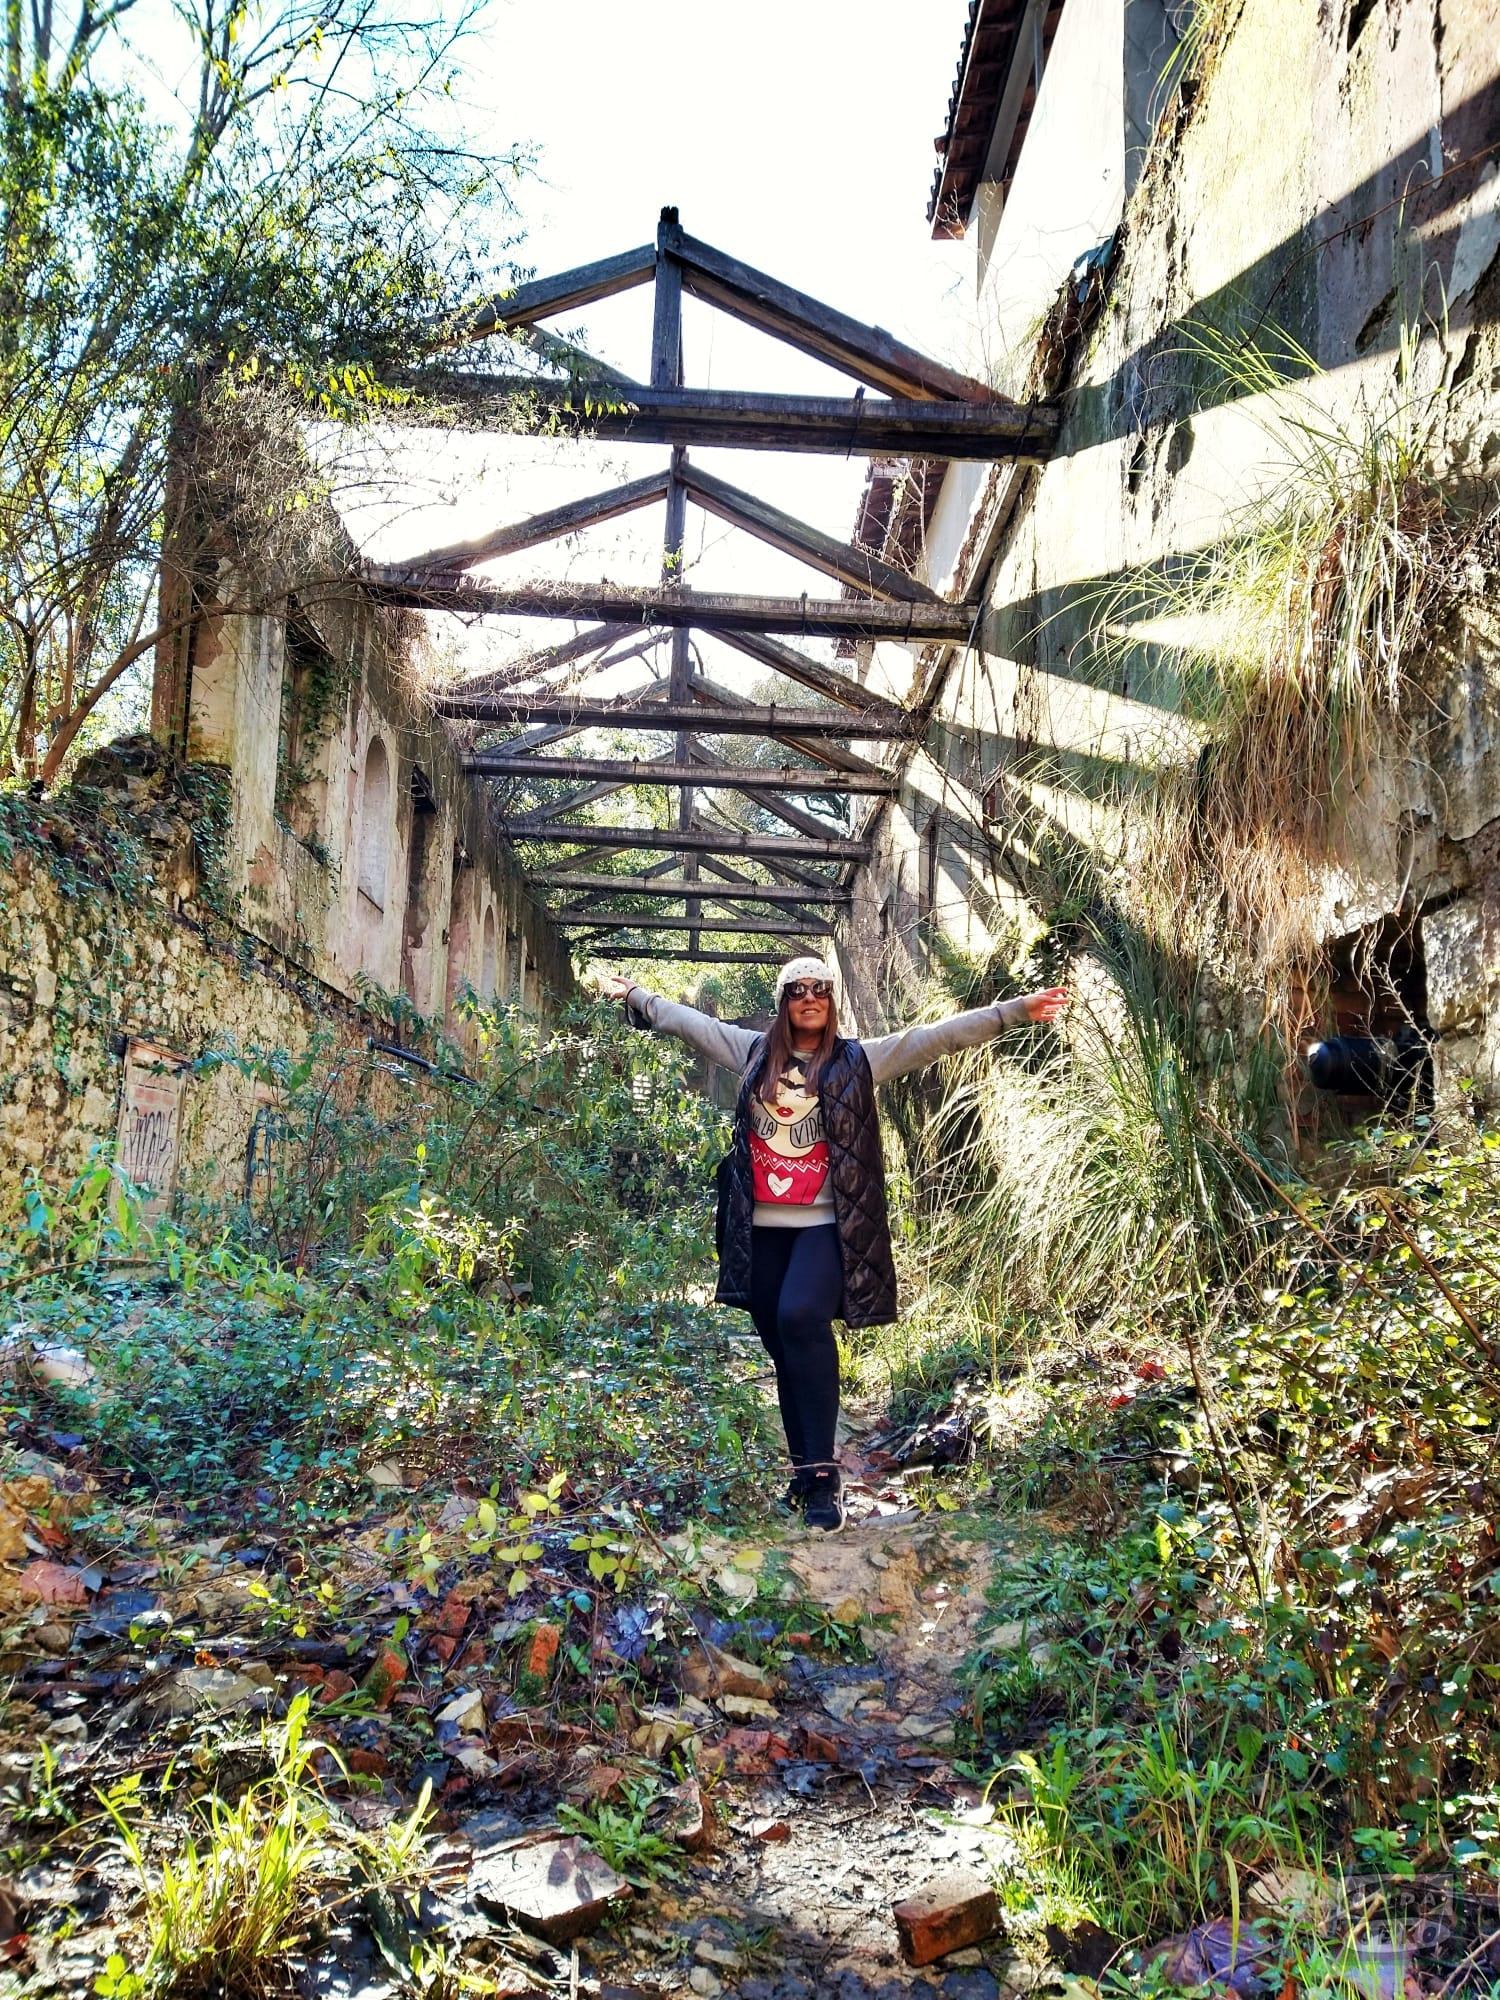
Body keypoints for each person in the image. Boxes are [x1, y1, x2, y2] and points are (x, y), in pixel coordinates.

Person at [602, 957, 1068, 1533]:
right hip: (759, 1229)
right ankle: (804, 1474)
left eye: (820, 989)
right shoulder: (752, 1052)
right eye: (797, 990)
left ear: (831, 1000)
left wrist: (1014, 1011)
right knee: (784, 1352)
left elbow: (936, 1038)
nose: (809, 997)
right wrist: (637, 996)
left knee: (801, 1317)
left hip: (825, 1225)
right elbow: (687, 1022)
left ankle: (824, 1479)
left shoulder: (858, 1060)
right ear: (783, 1002)